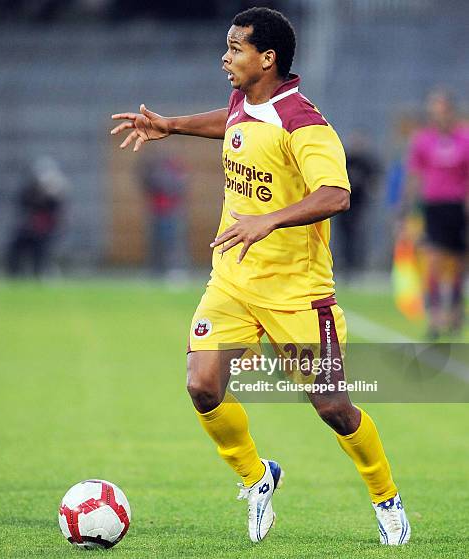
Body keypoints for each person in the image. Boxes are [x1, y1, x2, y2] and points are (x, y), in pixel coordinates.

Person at [111, 7, 409, 545]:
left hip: (298, 293)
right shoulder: (243, 101)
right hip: (233, 281)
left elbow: (336, 194)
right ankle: (257, 476)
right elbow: (230, 126)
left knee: (335, 408)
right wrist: (172, 125)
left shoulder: (304, 123)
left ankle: (386, 497)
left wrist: (268, 219)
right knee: (202, 386)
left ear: (266, 58)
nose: (225, 57)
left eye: (235, 48)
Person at [404, 90, 468, 339]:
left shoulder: (464, 138)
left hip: (458, 207)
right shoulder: (423, 140)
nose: (437, 116)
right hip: (433, 207)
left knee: (458, 263)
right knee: (433, 261)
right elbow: (415, 175)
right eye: (433, 111)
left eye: (441, 110)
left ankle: (454, 307)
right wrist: (406, 209)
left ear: (450, 112)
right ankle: (435, 315)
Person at [7, 156, 68, 278]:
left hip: (46, 232)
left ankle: (42, 274)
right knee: (15, 248)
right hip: (29, 230)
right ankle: (15, 275)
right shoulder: (27, 193)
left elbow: (58, 218)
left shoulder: (54, 197)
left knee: (40, 253)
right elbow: (23, 211)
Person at [336, 130, 380, 278]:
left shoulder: (366, 161)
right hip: (342, 203)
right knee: (343, 235)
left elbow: (374, 180)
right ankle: (345, 264)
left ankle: (356, 264)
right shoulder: (345, 158)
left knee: (357, 234)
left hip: (359, 204)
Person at [140, 155, 188, 277]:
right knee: (156, 243)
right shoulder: (153, 170)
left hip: (171, 212)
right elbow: (147, 184)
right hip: (157, 212)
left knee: (172, 242)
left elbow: (180, 187)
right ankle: (156, 269)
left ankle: (174, 268)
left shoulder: (175, 170)